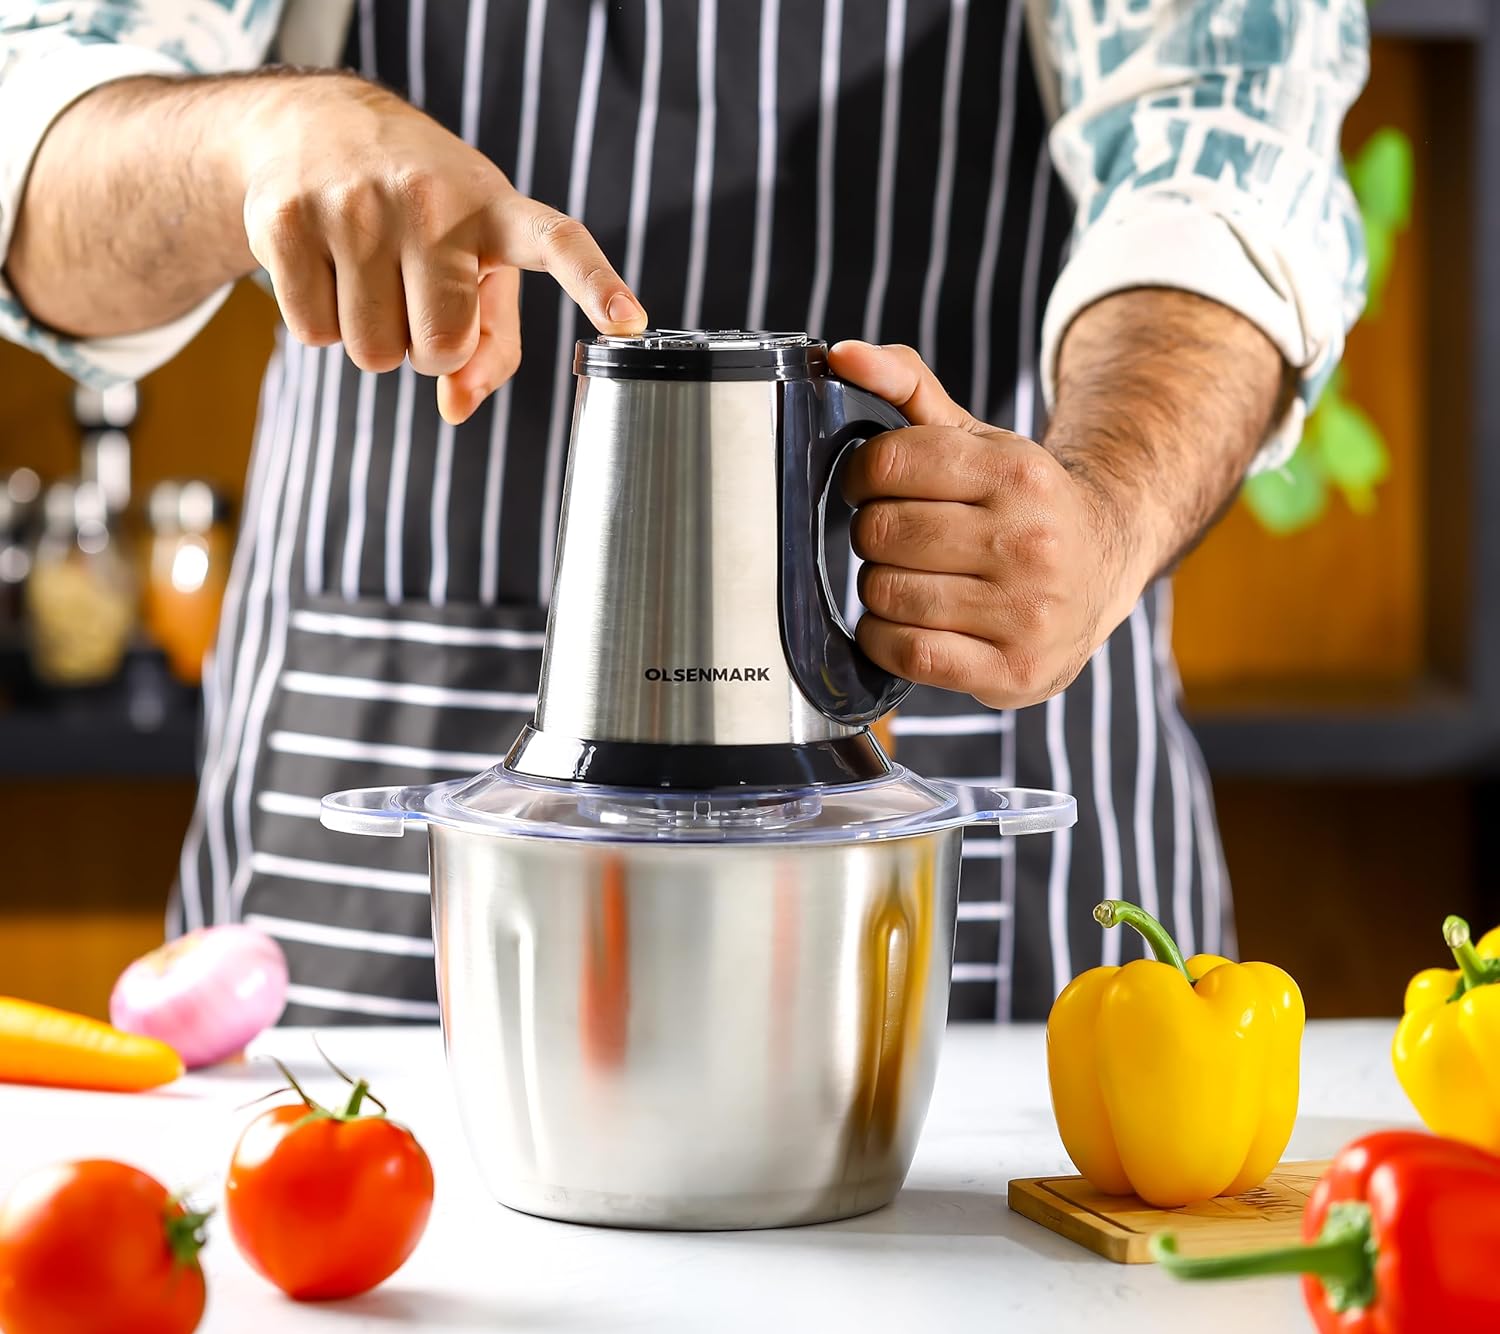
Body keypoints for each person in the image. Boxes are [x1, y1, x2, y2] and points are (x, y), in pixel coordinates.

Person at [0, 0, 1367, 1023]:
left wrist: (1105, 507)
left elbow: (1232, 153)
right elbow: (36, 143)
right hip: (387, 865)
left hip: (948, 775)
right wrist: (252, 134)